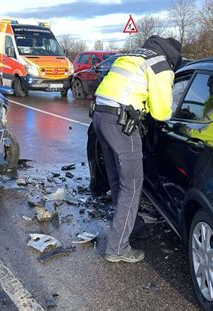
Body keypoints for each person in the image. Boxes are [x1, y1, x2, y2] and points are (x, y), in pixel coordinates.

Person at [91, 36, 182, 263]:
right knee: (131, 186)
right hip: (122, 123)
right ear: (174, 56)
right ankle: (117, 248)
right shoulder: (160, 64)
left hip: (100, 116)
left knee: (117, 180)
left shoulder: (132, 55)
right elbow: (161, 113)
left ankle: (131, 227)